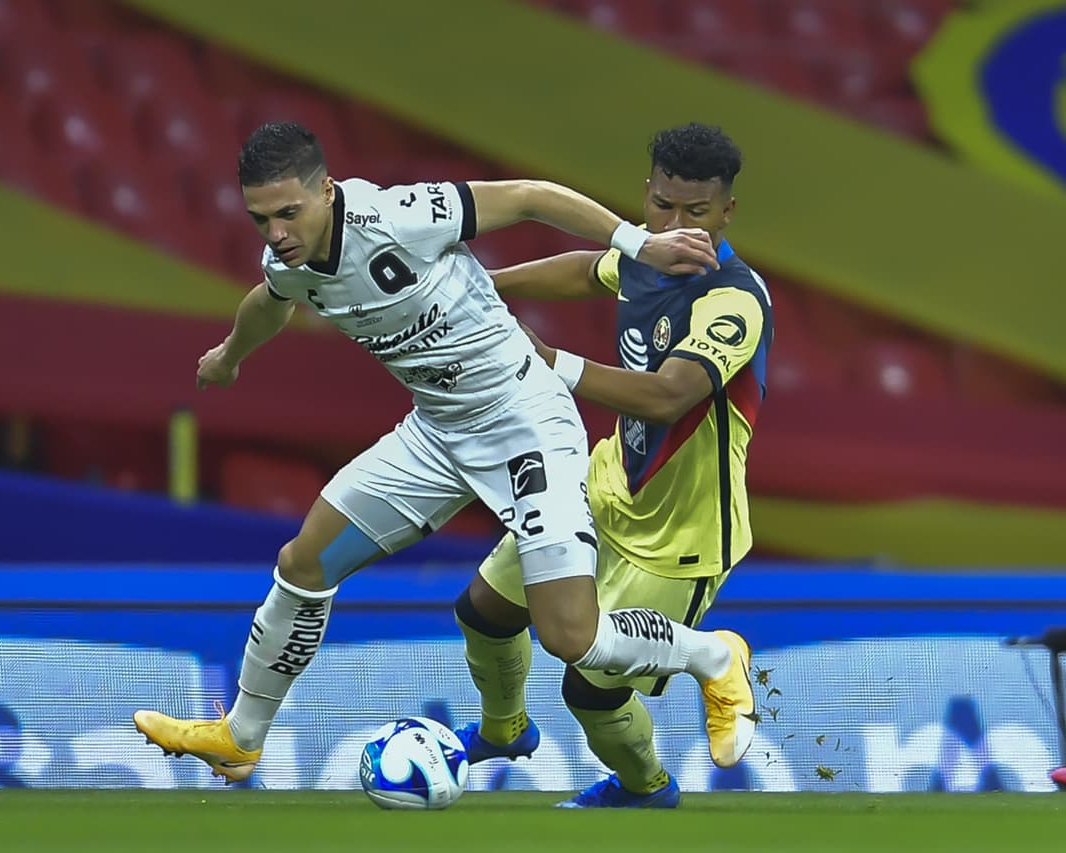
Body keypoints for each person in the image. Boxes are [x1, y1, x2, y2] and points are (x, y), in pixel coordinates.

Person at [132, 121, 746, 783]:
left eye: (289, 212)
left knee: (572, 636)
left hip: (524, 421)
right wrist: (229, 356)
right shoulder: (286, 259)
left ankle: (711, 657)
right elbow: (272, 300)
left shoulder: (397, 217)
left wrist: (638, 241)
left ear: (328, 191)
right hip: (436, 432)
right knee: (303, 562)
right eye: (262, 219)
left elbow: (530, 195)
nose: (277, 232)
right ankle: (241, 736)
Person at [451, 123, 770, 808]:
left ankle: (645, 783)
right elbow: (588, 268)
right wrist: (485, 285)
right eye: (662, 206)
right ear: (646, 194)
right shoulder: (646, 255)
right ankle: (504, 728)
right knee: (484, 609)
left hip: (682, 532)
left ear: (727, 214)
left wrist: (551, 361)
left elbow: (667, 395)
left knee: (591, 687)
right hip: (605, 487)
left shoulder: (734, 300)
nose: (675, 225)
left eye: (697, 213)